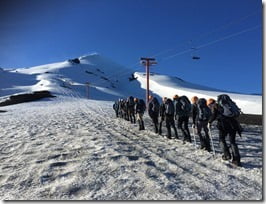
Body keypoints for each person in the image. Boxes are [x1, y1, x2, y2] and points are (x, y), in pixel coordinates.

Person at [208, 95, 242, 166]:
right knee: (232, 142)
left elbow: (214, 115)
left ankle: (226, 155)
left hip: (223, 126)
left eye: (209, 105)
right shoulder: (228, 104)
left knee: (221, 139)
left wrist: (209, 122)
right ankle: (236, 160)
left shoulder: (216, 106)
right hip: (233, 125)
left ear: (211, 103)